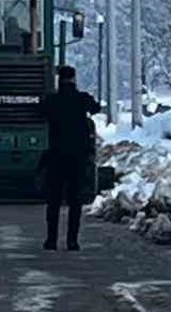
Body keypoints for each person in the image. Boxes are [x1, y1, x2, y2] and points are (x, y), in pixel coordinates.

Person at [39, 65, 100, 251]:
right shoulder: (82, 99)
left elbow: (41, 113)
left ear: (59, 80)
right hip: (77, 156)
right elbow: (95, 108)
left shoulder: (51, 100)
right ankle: (72, 241)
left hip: (56, 155)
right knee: (75, 201)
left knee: (54, 200)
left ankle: (51, 240)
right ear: (74, 79)